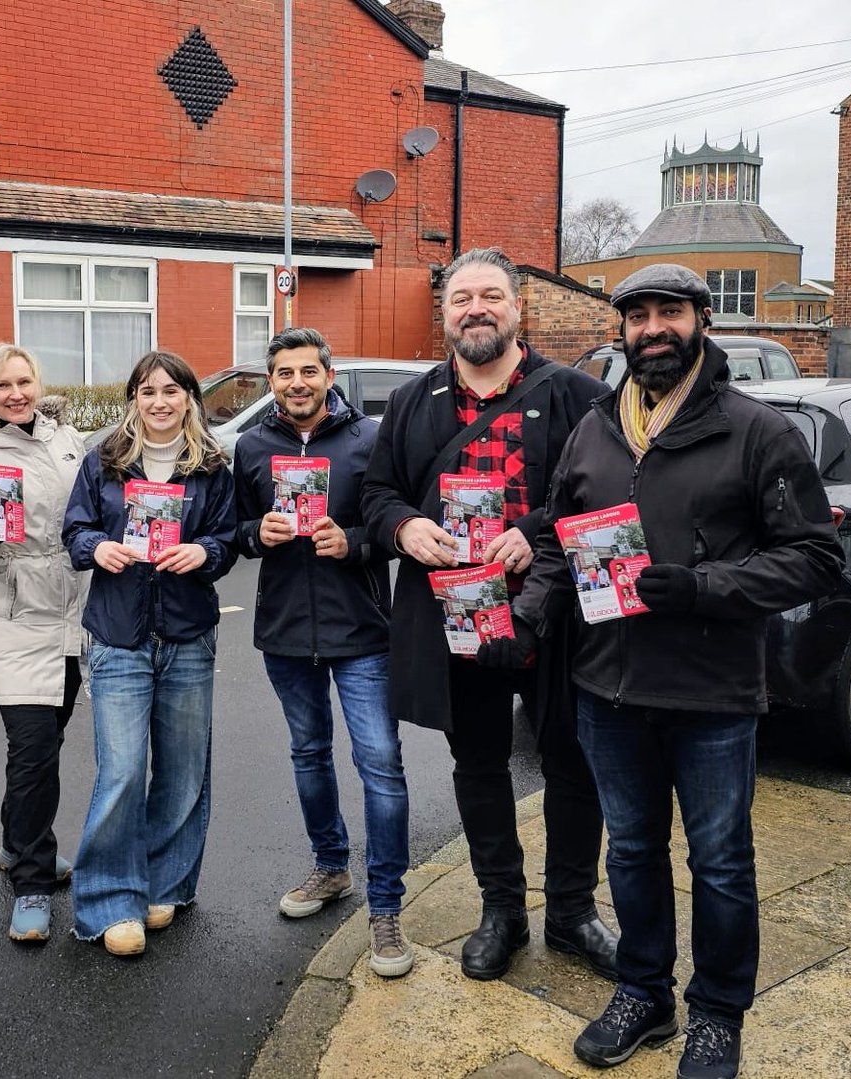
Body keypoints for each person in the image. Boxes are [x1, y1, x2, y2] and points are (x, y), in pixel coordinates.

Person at [508, 264, 844, 1078]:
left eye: (670, 313)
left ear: (702, 320)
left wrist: (703, 587)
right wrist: (528, 610)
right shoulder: (596, 426)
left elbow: (813, 556)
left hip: (712, 692)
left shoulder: (757, 430)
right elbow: (557, 535)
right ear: (621, 331)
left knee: (720, 859)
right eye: (638, 316)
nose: (653, 328)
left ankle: (719, 1013)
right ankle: (646, 990)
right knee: (630, 850)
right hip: (607, 687)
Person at [361, 247, 618, 983]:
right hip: (456, 618)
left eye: (490, 296)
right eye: (461, 297)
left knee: (573, 763)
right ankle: (501, 910)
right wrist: (404, 528)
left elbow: (608, 495)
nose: (475, 308)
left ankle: (571, 912)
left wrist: (535, 528)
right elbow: (379, 495)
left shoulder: (575, 395)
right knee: (478, 763)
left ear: (517, 308)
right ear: (444, 314)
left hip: (559, 614)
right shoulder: (415, 402)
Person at [234, 327, 413, 978]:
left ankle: (387, 905)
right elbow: (233, 531)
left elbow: (401, 524)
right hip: (286, 632)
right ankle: (331, 867)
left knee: (382, 766)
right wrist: (260, 530)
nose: (297, 382)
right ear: (272, 381)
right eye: (284, 373)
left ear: (329, 372)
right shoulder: (253, 446)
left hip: (361, 630)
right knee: (308, 754)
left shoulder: (370, 439)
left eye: (308, 370)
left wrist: (359, 541)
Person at [63, 350, 236, 958]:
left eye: (171, 391)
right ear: (132, 399)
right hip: (118, 636)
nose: (159, 402)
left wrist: (206, 555)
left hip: (188, 635)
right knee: (123, 771)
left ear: (189, 397)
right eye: (147, 391)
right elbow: (75, 530)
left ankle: (165, 884)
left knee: (184, 769)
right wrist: (98, 548)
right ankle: (111, 901)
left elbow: (227, 537)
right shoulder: (103, 462)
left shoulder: (213, 467)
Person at [0, 343, 90, 944]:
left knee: (46, 744)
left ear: (38, 383)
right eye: (2, 385)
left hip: (73, 610)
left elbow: (89, 512)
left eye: (23, 381)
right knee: (33, 751)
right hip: (14, 612)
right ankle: (32, 881)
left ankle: (16, 842)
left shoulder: (67, 440)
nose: (16, 394)